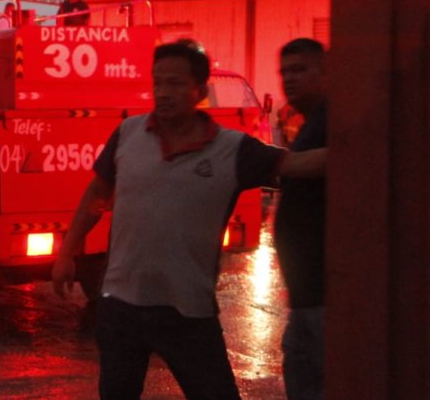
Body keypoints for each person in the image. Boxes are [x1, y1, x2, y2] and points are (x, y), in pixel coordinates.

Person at [52, 41, 326, 399]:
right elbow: (96, 195)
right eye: (158, 83)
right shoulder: (128, 134)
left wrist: (369, 142)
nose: (163, 93)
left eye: (176, 84)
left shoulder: (232, 149)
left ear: (200, 90)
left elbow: (298, 165)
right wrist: (66, 252)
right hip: (121, 307)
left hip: (187, 314)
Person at [275, 38, 328, 400]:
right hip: (305, 295)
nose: (289, 79)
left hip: (323, 298)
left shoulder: (332, 120)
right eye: (284, 72)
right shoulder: (313, 123)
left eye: (300, 70)